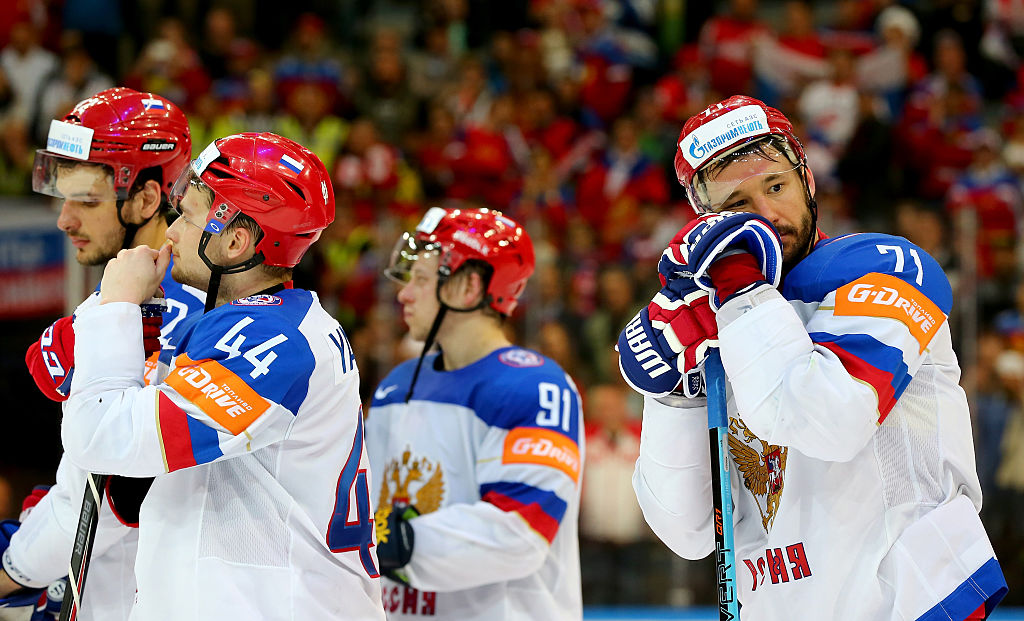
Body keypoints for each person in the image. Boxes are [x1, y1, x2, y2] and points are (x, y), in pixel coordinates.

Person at [617, 95, 1008, 620]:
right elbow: (687, 532)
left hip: (913, 602)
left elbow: (830, 421)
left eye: (775, 186)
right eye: (736, 206)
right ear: (704, 219)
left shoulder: (882, 266)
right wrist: (668, 399)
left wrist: (739, 288)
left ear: (808, 181)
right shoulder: (716, 320)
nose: (765, 215)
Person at [57, 132, 385, 620]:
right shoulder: (256, 325)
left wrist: (117, 306)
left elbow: (101, 435)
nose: (168, 232)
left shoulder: (272, 343)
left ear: (234, 240)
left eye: (187, 217)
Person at [2, 87, 202, 621]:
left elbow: (109, 495)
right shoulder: (132, 293)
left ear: (147, 199)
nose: (65, 220)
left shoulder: (163, 320)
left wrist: (15, 567)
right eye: (64, 197)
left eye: (87, 201)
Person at [366, 207, 584, 620]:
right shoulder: (395, 386)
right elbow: (372, 504)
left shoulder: (536, 388)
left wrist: (377, 539)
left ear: (468, 287)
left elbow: (520, 531)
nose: (404, 293)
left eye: (422, 280)